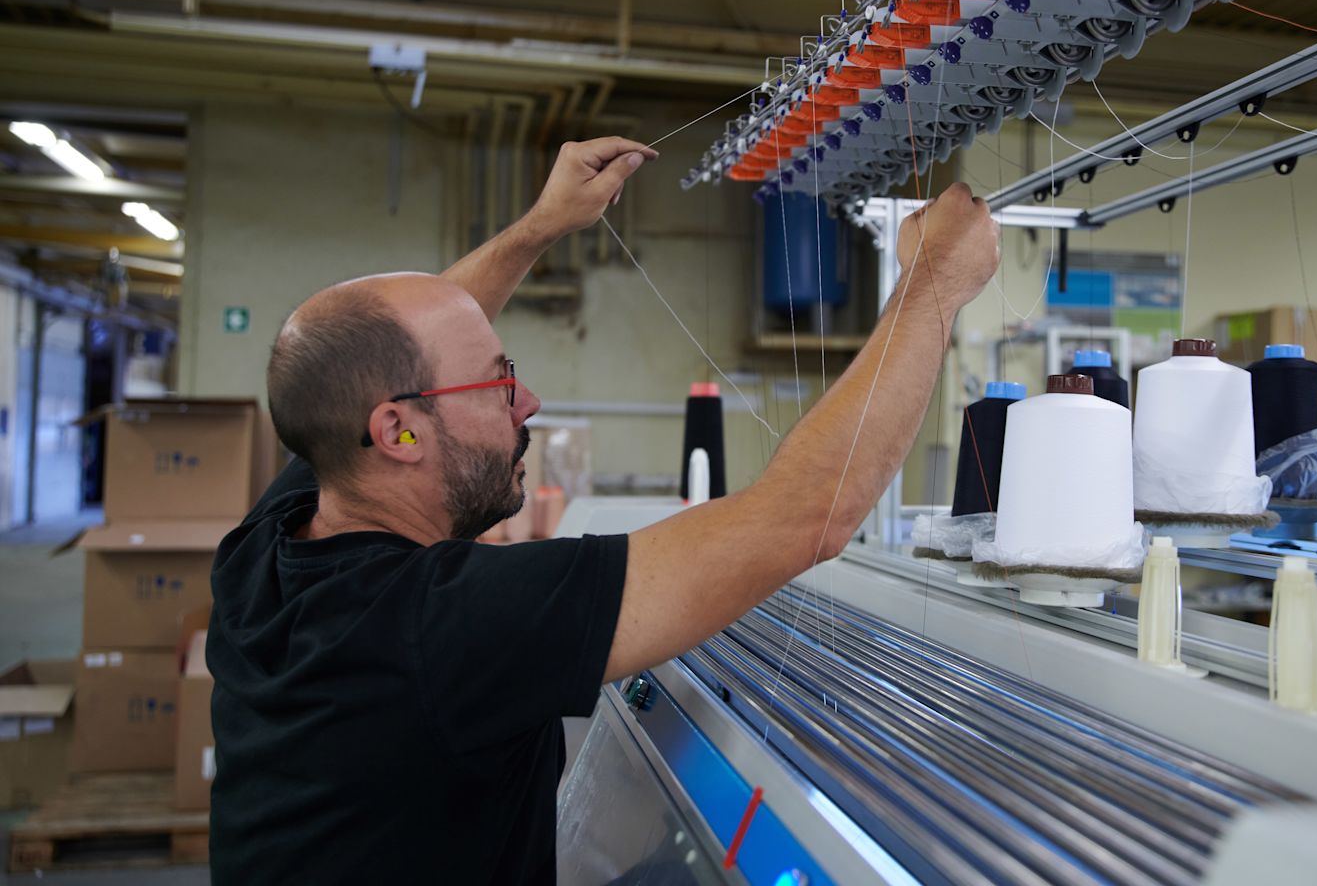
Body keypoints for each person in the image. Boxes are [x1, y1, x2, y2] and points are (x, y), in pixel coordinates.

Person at [206, 135, 1000, 884]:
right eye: (498, 381)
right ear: (398, 432)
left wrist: (542, 227)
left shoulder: (268, 549)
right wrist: (934, 284)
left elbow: (383, 355)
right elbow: (805, 518)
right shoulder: (439, 625)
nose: (528, 401)